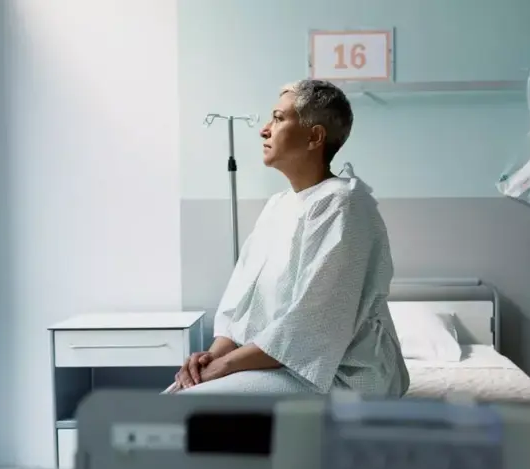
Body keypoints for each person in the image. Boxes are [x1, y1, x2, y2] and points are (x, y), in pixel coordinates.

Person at [166, 79, 408, 396]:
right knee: (172, 400)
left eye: (279, 119)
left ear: (314, 137)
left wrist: (224, 366)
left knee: (184, 411)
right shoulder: (277, 206)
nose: (264, 130)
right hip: (277, 360)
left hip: (338, 373)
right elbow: (243, 302)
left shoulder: (343, 204)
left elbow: (312, 325)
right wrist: (215, 355)